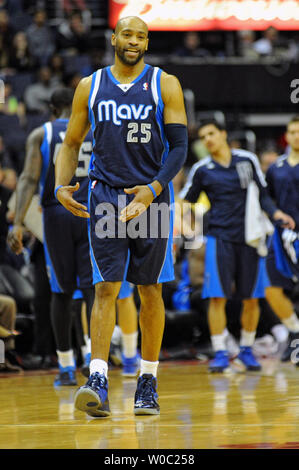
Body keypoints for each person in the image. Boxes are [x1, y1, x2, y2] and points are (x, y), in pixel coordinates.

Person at [54, 16, 188, 416]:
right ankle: (97, 378)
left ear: (147, 44)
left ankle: (147, 380)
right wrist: (61, 186)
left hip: (152, 196)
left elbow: (179, 148)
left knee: (150, 291)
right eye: (127, 34)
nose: (134, 41)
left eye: (141, 36)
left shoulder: (165, 84)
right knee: (105, 289)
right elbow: (72, 141)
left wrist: (152, 190)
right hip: (107, 197)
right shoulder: (89, 86)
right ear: (114, 38)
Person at [179, 119, 294, 373]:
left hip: (250, 239)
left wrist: (276, 214)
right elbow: (184, 201)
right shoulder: (202, 169)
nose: (207, 139)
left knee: (252, 298)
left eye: (211, 133)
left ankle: (246, 349)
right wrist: (184, 227)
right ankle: (220, 351)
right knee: (217, 297)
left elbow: (263, 195)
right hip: (219, 239)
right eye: (203, 137)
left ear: (223, 134)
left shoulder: (247, 160)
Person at [8, 88, 95, 386]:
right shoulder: (94, 132)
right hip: (92, 213)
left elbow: (29, 179)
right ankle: (96, 361)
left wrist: (18, 223)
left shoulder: (41, 133)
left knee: (61, 291)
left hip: (57, 214)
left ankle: (67, 366)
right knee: (94, 290)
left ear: (51, 108)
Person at [265, 116, 299, 366]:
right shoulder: (276, 167)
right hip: (281, 236)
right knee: (271, 288)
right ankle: (295, 331)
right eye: (291, 131)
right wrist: (275, 214)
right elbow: (266, 199)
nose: (295, 135)